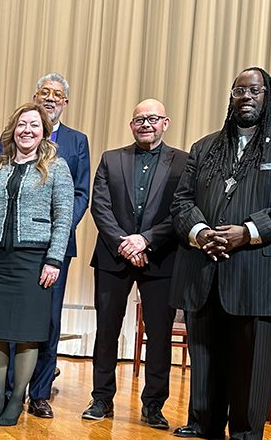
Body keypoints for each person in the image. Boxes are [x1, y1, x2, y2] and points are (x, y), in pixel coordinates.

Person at [170, 67, 271, 440]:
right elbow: (182, 202)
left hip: (261, 276)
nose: (247, 96)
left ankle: (246, 433)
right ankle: (203, 424)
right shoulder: (204, 147)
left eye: (255, 90)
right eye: (239, 90)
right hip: (205, 271)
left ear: (268, 95)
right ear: (231, 97)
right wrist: (200, 231)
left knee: (252, 366)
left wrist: (246, 233)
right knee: (204, 358)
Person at [84, 99, 187, 429]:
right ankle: (101, 399)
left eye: (152, 119)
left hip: (161, 257)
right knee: (107, 331)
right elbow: (99, 207)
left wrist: (146, 240)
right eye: (139, 119)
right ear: (131, 125)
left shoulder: (185, 162)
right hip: (113, 256)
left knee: (159, 335)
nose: (146, 124)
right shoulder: (111, 159)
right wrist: (124, 243)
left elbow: (181, 210)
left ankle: (154, 405)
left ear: (165, 123)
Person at [0, 73, 91, 418]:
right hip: (13, 249)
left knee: (47, 321)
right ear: (35, 97)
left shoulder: (77, 141)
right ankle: (8, 392)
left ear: (65, 102)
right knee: (11, 319)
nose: (50, 98)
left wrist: (57, 232)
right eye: (44, 93)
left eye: (57, 95)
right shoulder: (13, 137)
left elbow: (80, 195)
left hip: (55, 250)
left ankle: (38, 393)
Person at [0, 103, 73, 426]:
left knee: (28, 334)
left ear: (44, 131)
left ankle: (18, 399)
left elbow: (63, 218)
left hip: (35, 260)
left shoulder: (57, 167)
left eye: (33, 125)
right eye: (21, 125)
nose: (26, 130)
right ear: (13, 130)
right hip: (0, 259)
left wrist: (54, 259)